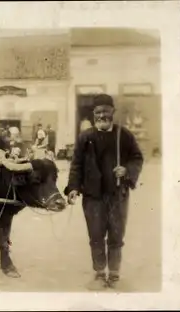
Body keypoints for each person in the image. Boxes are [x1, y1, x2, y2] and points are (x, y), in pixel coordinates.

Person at [64, 93, 144, 290]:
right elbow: (77, 165)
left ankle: (114, 273)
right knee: (96, 235)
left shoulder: (123, 135)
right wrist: (73, 187)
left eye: (106, 112)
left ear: (113, 112)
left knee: (116, 235)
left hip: (118, 195)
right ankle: (100, 273)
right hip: (93, 197)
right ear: (93, 114)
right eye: (98, 112)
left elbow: (137, 158)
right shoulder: (85, 137)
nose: (102, 115)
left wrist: (127, 170)